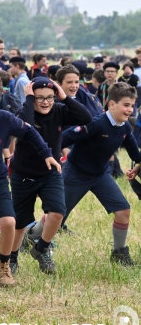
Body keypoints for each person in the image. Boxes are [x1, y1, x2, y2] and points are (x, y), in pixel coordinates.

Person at [32, 82, 141, 267]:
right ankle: (33, 236)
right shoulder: (95, 124)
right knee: (57, 215)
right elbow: (63, 138)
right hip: (75, 174)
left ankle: (119, 252)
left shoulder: (124, 128)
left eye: (132, 105)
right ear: (111, 104)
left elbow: (135, 153)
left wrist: (138, 165)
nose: (130, 109)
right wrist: (51, 156)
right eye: (125, 104)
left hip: (100, 176)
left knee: (123, 210)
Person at [0, 75, 58, 284]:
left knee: (9, 221)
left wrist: (47, 153)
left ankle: (4, 266)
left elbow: (30, 132)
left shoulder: (5, 118)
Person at [10, 77, 92, 274]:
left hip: (51, 172)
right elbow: (25, 129)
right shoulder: (24, 112)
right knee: (20, 222)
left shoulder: (60, 110)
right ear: (31, 97)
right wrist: (29, 101)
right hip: (23, 173)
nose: (46, 102)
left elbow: (86, 118)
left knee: (57, 212)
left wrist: (65, 97)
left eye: (50, 98)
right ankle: (11, 257)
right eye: (40, 98)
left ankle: (41, 248)